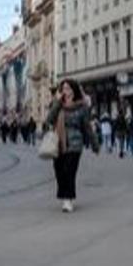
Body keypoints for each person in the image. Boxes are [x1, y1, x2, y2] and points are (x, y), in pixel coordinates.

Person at [46, 80, 99, 213]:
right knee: (59, 171)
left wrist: (94, 144)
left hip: (75, 143)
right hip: (58, 143)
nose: (66, 92)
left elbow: (87, 127)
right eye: (63, 89)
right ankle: (64, 194)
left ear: (74, 90)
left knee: (69, 171)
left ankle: (68, 199)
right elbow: (50, 119)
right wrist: (57, 102)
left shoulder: (82, 107)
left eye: (68, 89)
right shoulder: (58, 105)